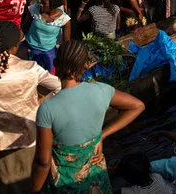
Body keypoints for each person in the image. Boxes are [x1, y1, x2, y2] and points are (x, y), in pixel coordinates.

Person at [31, 40, 145, 193]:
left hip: (67, 184)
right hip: (97, 178)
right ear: (86, 65)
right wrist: (102, 135)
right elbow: (138, 106)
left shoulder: (47, 109)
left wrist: (34, 189)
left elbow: (43, 162)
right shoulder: (102, 90)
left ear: (56, 63)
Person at [0, 21, 61, 193]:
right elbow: (59, 87)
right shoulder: (31, 69)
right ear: (16, 47)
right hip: (29, 140)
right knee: (31, 184)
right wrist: (40, 103)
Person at [24, 0, 71, 74]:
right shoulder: (34, 9)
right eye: (40, 1)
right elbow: (24, 28)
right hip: (29, 48)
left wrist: (64, 60)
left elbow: (66, 43)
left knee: (47, 77)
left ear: (53, 4)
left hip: (47, 53)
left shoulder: (64, 19)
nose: (40, 4)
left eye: (44, 3)